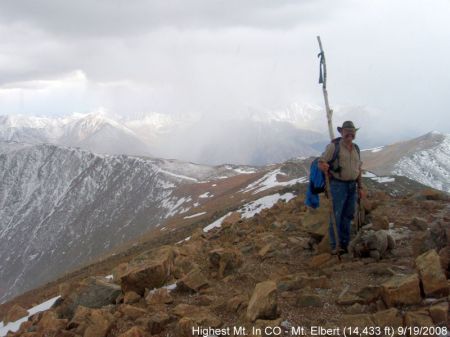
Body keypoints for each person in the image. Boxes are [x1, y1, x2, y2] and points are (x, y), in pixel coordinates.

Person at [318, 121, 366, 254]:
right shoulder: (334, 146)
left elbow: (358, 169)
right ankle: (335, 245)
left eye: (352, 132)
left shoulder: (356, 148)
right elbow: (321, 161)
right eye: (347, 132)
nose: (350, 134)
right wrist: (324, 166)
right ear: (341, 132)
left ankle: (345, 243)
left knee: (348, 215)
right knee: (336, 215)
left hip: (352, 186)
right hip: (338, 185)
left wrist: (360, 187)